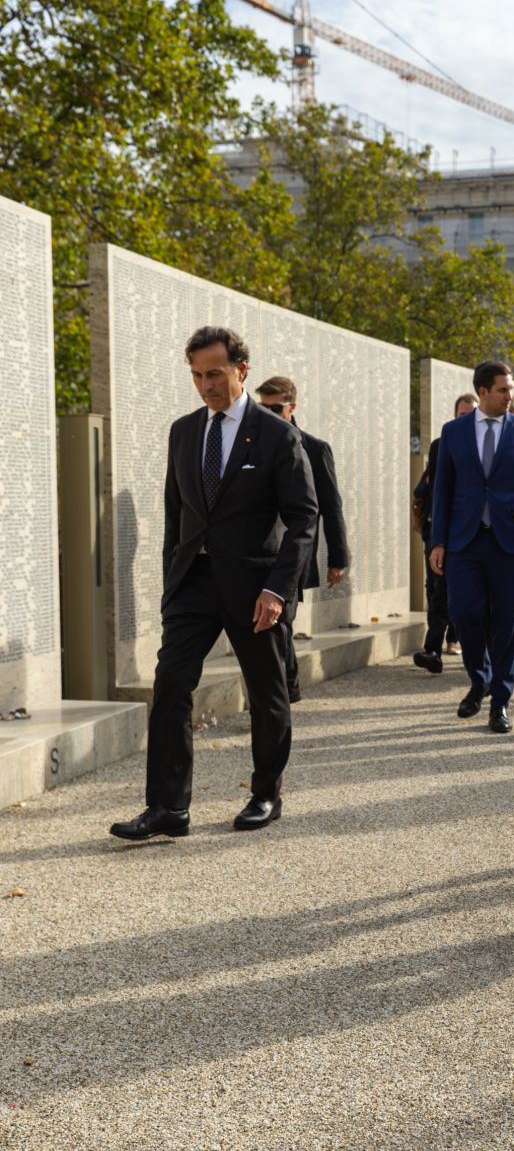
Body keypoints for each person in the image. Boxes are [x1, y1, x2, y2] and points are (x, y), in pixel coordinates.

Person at [110, 327, 317, 840]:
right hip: (193, 584)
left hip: (255, 587)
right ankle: (167, 808)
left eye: (215, 374)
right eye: (198, 375)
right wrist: (170, 589)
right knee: (172, 685)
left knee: (267, 692)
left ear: (240, 370)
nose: (205, 385)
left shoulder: (276, 434)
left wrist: (278, 589)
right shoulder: (183, 432)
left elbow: (304, 519)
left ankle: (266, 792)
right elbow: (176, 515)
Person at [429, 360, 514, 733]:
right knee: (464, 614)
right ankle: (480, 679)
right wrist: (438, 540)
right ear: (483, 392)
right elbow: (443, 489)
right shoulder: (453, 432)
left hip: (509, 543)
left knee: (506, 622)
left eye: (511, 389)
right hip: (463, 541)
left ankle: (500, 703)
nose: (510, 396)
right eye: (503, 389)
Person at [255, 375, 350, 703]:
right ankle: (286, 689)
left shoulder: (314, 448)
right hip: (257, 551)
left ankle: (283, 693)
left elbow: (330, 506)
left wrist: (339, 557)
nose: (267, 413)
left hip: (293, 552)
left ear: (292, 407)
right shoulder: (249, 443)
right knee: (274, 628)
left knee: (282, 623)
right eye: (261, 407)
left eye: (275, 407)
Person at [412, 392, 477, 673]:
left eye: (472, 414)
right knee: (437, 589)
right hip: (440, 530)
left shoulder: (487, 446)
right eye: (463, 415)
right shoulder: (442, 445)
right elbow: (430, 490)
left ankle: (458, 641)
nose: (468, 420)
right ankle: (432, 649)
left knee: (462, 592)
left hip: (471, 533)